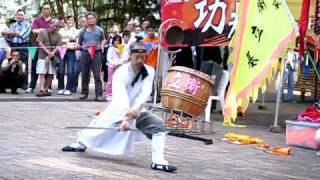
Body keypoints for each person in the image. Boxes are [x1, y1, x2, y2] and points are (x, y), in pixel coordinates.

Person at [62, 39, 177, 173]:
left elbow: (145, 93)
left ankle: (158, 162)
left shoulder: (149, 70)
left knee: (158, 126)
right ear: (130, 56)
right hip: (118, 109)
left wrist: (135, 110)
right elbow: (120, 99)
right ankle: (80, 143)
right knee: (99, 127)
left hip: (138, 109)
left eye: (143, 57)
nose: (140, 60)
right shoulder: (121, 73)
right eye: (137, 57)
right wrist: (126, 118)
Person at [25, 2, 52, 93]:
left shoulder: (53, 21)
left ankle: (47, 87)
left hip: (48, 48)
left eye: (48, 8)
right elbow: (34, 31)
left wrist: (40, 30)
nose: (46, 10)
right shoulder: (37, 20)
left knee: (48, 67)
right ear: (42, 9)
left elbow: (53, 32)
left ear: (50, 10)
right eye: (44, 8)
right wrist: (45, 31)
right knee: (34, 66)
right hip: (36, 47)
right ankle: (31, 86)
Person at [78, 12, 105, 101]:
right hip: (85, 53)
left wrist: (102, 44)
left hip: (97, 53)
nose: (90, 20)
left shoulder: (100, 30)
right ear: (86, 20)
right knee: (85, 74)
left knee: (97, 74)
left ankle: (98, 94)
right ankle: (84, 93)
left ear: (95, 19)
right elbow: (79, 43)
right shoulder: (82, 31)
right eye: (88, 18)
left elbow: (103, 40)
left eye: (91, 18)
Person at [5, 9, 31, 90]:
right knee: (13, 64)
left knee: (24, 64)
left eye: (21, 15)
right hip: (14, 46)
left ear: (24, 16)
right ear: (16, 16)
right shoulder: (12, 25)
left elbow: (22, 35)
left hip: (23, 46)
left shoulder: (27, 25)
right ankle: (14, 84)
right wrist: (10, 35)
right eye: (18, 14)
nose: (19, 16)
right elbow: (8, 37)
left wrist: (11, 33)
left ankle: (24, 84)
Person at [35, 19, 62, 97]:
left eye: (57, 26)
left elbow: (58, 46)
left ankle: (46, 89)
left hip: (52, 57)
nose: (56, 27)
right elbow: (40, 43)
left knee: (50, 74)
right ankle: (41, 89)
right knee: (42, 73)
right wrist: (48, 53)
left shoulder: (58, 35)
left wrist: (51, 54)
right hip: (42, 56)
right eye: (55, 25)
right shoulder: (42, 32)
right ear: (50, 24)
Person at [57, 15, 78, 95]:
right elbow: (59, 39)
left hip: (71, 51)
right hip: (62, 50)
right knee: (61, 70)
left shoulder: (76, 31)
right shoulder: (61, 30)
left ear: (74, 22)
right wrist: (68, 40)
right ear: (66, 21)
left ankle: (69, 88)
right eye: (69, 20)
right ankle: (61, 87)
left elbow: (75, 40)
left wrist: (67, 41)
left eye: (72, 20)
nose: (70, 22)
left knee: (70, 71)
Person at [105, 35, 124, 101]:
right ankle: (109, 94)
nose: (117, 42)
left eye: (118, 41)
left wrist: (119, 63)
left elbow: (123, 57)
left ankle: (117, 94)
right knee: (110, 80)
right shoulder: (111, 48)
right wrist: (113, 63)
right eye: (116, 40)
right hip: (111, 66)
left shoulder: (121, 48)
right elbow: (108, 58)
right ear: (113, 41)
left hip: (119, 66)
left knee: (118, 81)